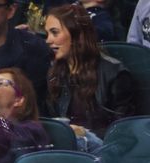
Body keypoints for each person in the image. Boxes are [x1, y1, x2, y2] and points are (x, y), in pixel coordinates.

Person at [44, 3, 136, 140]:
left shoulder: (114, 74)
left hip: (102, 151)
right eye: (47, 34)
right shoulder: (55, 73)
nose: (48, 40)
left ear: (77, 34)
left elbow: (123, 132)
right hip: (67, 149)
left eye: (54, 32)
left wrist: (85, 135)